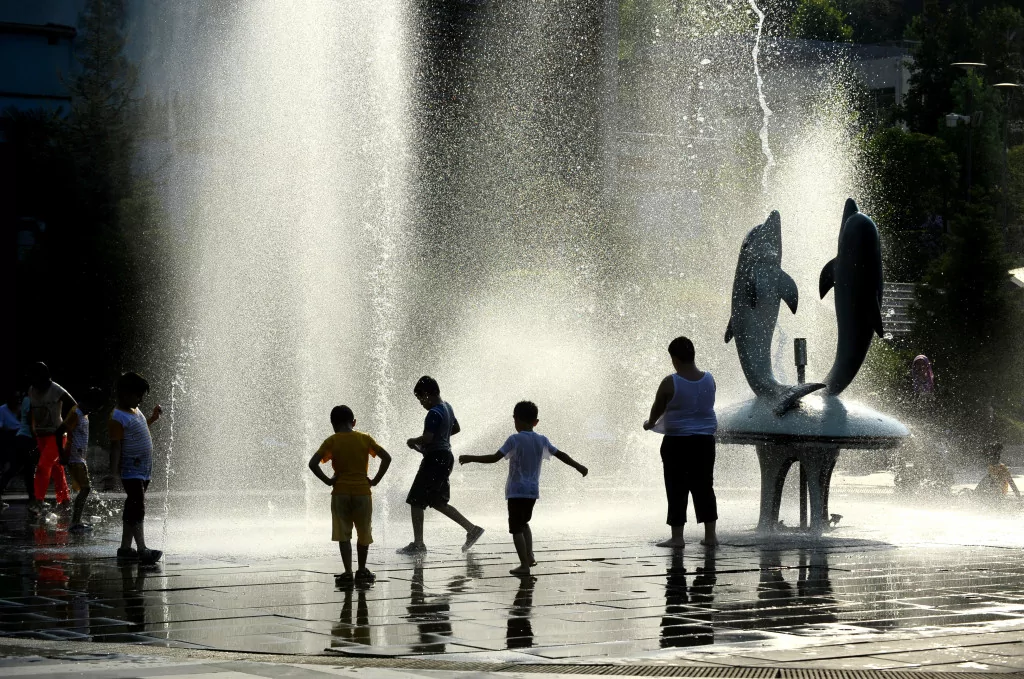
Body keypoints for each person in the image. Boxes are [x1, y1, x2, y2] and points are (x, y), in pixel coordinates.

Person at [460, 400, 588, 575]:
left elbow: (494, 458)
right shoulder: (542, 440)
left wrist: (470, 458)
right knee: (524, 523)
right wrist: (578, 466)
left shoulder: (514, 439)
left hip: (516, 491)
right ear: (535, 422)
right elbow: (561, 455)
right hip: (532, 492)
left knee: (516, 529)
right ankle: (529, 556)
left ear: (516, 419)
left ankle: (524, 565)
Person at [643, 336, 719, 548]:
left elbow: (657, 409)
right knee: (704, 486)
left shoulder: (670, 382)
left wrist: (649, 424)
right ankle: (711, 536)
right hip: (704, 441)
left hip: (677, 442)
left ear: (675, 358)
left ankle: (677, 538)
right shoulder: (709, 379)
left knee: (676, 487)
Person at [397, 376, 484, 555]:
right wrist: (442, 437)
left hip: (435, 459)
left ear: (428, 394)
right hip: (446, 457)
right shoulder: (448, 408)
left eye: (421, 398)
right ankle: (472, 529)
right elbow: (456, 428)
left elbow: (427, 439)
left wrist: (413, 440)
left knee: (416, 500)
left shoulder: (433, 413)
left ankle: (418, 544)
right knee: (437, 501)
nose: (421, 403)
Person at [308, 405, 392, 585]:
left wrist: (328, 481)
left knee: (343, 535)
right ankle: (361, 570)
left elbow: (313, 463)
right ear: (353, 422)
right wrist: (375, 480)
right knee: (363, 532)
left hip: (340, 494)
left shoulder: (332, 440)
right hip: (362, 493)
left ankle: (347, 572)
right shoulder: (365, 439)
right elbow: (387, 457)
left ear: (333, 424)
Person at [109, 372, 162, 565]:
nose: (140, 399)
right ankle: (142, 549)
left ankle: (125, 548)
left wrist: (152, 419)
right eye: (137, 395)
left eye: (141, 396)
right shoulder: (117, 416)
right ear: (124, 393)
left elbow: (139, 429)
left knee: (133, 507)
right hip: (131, 469)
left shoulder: (134, 410)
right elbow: (115, 446)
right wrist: (113, 474)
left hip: (143, 470)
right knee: (137, 506)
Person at [27, 362, 75, 514]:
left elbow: (74, 407)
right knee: (56, 469)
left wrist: (68, 427)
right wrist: (32, 431)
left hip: (56, 434)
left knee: (42, 466)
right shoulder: (31, 390)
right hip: (41, 435)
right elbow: (32, 411)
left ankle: (38, 501)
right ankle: (65, 500)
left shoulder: (56, 389)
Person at [62, 387, 105, 533]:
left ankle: (76, 521)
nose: (93, 411)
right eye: (93, 407)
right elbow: (60, 432)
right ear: (88, 402)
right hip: (74, 457)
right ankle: (75, 523)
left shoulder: (83, 413)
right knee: (85, 488)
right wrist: (62, 454)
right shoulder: (76, 413)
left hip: (80, 457)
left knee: (84, 489)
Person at [0, 392, 37, 507]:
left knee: (22, 468)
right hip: (14, 438)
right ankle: (33, 498)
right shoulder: (4, 409)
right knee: (23, 468)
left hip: (22, 437)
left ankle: (33, 498)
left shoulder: (23, 405)